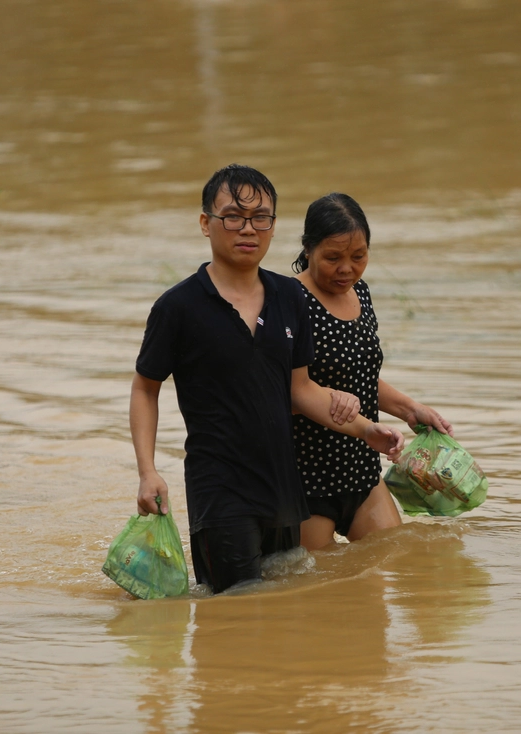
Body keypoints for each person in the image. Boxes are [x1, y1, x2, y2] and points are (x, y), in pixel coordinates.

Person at [130, 166, 404, 593]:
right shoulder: (178, 307)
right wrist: (148, 472)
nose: (248, 228)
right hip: (220, 490)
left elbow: (302, 389)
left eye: (261, 217)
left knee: (287, 614)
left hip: (285, 491)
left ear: (274, 226)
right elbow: (145, 389)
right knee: (238, 611)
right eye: (233, 217)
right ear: (206, 223)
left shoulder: (289, 298)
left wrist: (366, 429)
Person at [291, 193, 454, 551]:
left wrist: (411, 410)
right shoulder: (288, 301)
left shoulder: (360, 293)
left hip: (362, 470)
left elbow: (360, 376)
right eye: (333, 258)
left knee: (389, 569)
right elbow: (276, 392)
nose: (346, 268)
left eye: (358, 256)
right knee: (311, 593)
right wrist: (330, 399)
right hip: (307, 479)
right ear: (307, 249)